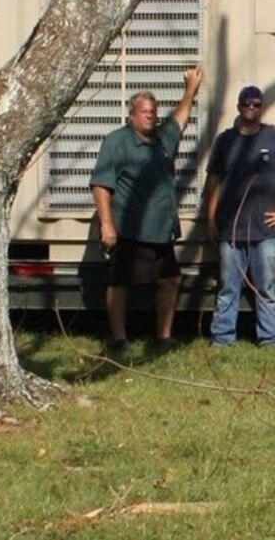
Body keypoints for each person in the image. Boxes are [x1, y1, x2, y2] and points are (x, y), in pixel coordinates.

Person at [90, 65, 203, 354]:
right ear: (132, 115)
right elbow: (101, 185)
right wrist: (106, 224)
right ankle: (119, 340)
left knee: (170, 280)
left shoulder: (163, 140)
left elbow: (180, 117)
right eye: (145, 112)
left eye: (153, 111)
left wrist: (190, 89)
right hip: (129, 229)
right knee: (120, 284)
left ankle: (163, 338)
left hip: (161, 231)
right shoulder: (117, 141)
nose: (151, 116)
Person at [202, 84, 275, 347]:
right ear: (239, 107)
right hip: (230, 229)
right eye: (246, 104)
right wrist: (210, 219)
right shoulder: (225, 140)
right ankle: (222, 339)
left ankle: (271, 339)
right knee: (229, 286)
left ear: (262, 108)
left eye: (256, 104)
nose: (251, 108)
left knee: (265, 288)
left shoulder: (274, 138)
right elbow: (213, 182)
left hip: (265, 230)